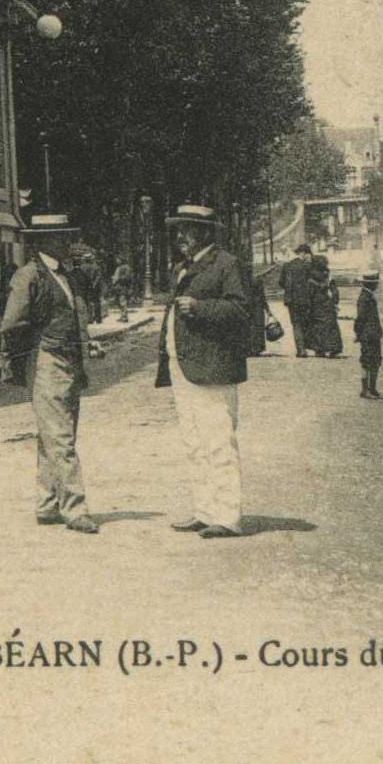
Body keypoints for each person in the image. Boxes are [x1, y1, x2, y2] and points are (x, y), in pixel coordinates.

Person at [0, 214, 103, 535]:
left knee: (54, 433)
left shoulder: (67, 276)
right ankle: (75, 508)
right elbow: (11, 325)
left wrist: (84, 344)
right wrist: (36, 347)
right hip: (45, 360)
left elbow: (75, 315)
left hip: (69, 360)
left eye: (68, 238)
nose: (68, 244)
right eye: (61, 238)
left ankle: (46, 503)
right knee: (61, 436)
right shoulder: (28, 276)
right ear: (43, 242)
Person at [157, 204, 250, 538]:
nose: (181, 237)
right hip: (184, 367)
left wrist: (200, 307)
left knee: (218, 441)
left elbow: (241, 310)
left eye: (188, 230)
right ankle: (205, 509)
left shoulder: (226, 264)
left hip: (212, 366)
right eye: (179, 230)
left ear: (207, 233)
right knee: (194, 442)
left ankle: (227, 516)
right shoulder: (184, 267)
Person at [354, 270, 383, 399]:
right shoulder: (364, 298)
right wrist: (358, 333)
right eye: (375, 283)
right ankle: (365, 390)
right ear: (371, 285)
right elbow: (360, 318)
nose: (377, 285)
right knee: (367, 362)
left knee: (375, 361)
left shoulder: (368, 296)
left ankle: (372, 388)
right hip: (368, 335)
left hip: (373, 334)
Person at [280, 244, 315, 357]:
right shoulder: (307, 266)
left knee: (296, 324)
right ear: (303, 253)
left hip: (291, 300)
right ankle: (306, 346)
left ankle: (301, 349)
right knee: (304, 322)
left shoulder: (287, 265)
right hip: (305, 299)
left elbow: (281, 282)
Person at [307, 251, 344, 358]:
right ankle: (335, 347)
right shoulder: (328, 275)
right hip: (327, 302)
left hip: (316, 303)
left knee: (317, 326)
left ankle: (319, 349)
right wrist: (335, 302)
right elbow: (335, 291)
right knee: (331, 326)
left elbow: (309, 293)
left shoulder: (311, 276)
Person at [109, 257, 136, 322]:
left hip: (123, 288)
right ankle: (122, 316)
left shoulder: (126, 267)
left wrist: (118, 278)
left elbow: (127, 277)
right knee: (118, 302)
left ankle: (124, 317)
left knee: (123, 302)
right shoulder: (118, 268)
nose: (116, 260)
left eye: (118, 259)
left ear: (121, 260)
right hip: (117, 288)